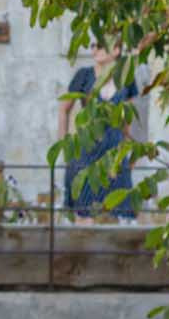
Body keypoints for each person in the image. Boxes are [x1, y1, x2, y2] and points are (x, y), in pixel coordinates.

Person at [59, 42, 140, 219]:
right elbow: (64, 109)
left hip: (114, 156)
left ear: (117, 50)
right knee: (83, 215)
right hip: (86, 154)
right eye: (93, 45)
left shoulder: (126, 78)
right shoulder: (84, 76)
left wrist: (129, 153)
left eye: (102, 45)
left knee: (121, 213)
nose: (95, 49)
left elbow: (128, 121)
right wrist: (65, 146)